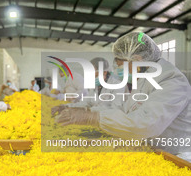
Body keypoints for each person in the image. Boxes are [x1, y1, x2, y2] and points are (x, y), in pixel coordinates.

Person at [55, 32, 191, 161]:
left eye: (122, 66)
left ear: (137, 60)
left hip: (176, 156)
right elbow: (124, 111)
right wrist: (86, 116)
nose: (121, 71)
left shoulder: (171, 80)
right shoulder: (143, 80)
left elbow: (145, 125)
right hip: (152, 151)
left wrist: (93, 117)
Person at [52, 57, 127, 115]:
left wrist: (89, 111)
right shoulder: (96, 86)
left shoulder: (117, 85)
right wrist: (67, 106)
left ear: (104, 72)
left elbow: (115, 109)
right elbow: (85, 102)